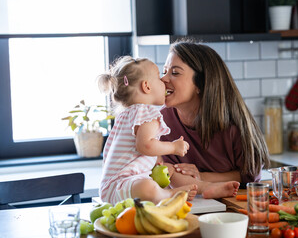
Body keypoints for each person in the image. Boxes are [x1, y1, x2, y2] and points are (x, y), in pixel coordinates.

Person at [97, 56, 240, 205]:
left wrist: (160, 163)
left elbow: (135, 152)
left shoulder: (126, 115)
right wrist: (173, 147)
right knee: (147, 187)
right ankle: (169, 194)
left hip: (114, 188)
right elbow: (145, 146)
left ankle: (206, 188)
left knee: (169, 169)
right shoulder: (146, 112)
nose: (164, 80)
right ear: (147, 87)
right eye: (159, 77)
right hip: (124, 186)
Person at [160, 40, 270, 185]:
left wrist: (202, 177)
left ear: (201, 84)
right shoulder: (162, 121)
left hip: (231, 202)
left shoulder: (233, 125)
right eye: (164, 71)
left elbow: (251, 175)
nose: (163, 78)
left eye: (175, 72)